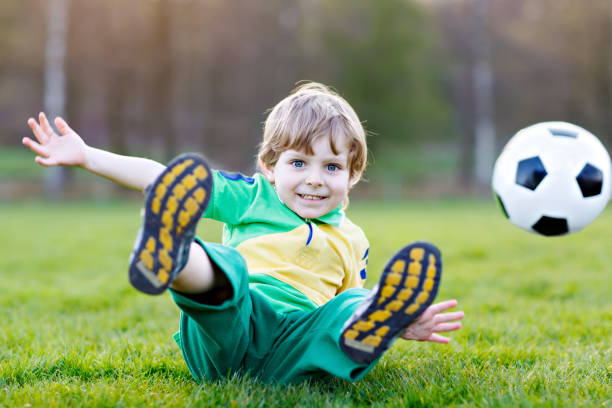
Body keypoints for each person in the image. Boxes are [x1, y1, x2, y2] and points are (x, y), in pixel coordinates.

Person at [23, 82, 464, 383]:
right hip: (232, 325)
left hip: (292, 343)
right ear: (270, 167)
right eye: (299, 163)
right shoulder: (253, 197)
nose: (314, 179)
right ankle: (174, 253)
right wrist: (86, 156)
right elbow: (165, 176)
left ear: (353, 175)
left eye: (331, 167)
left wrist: (396, 321)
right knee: (227, 270)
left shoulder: (353, 239)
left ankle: (382, 318)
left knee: (349, 305)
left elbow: (343, 305)